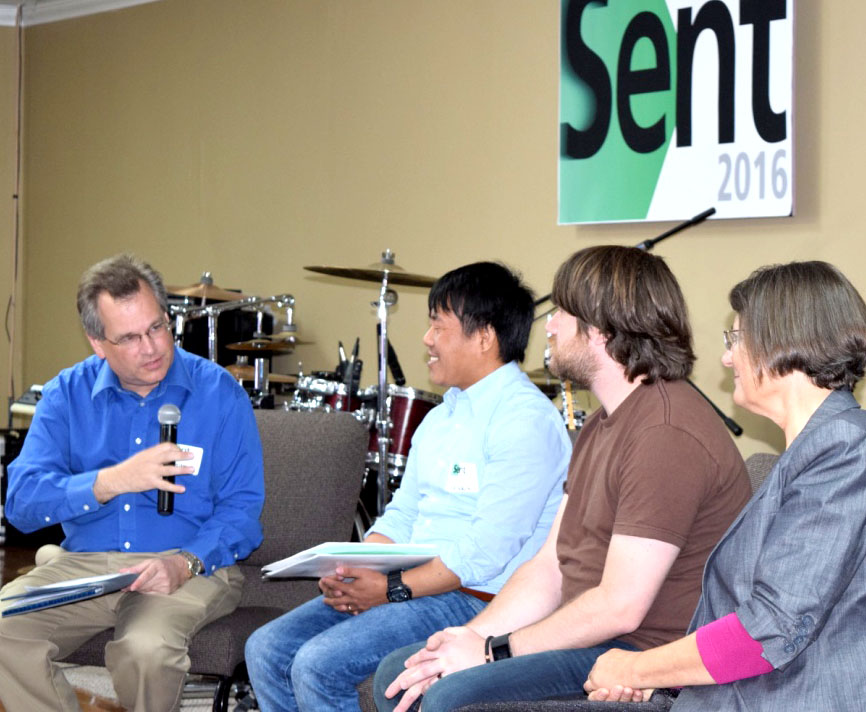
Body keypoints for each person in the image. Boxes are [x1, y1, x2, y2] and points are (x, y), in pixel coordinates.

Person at [375, 245, 752, 712]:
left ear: (602, 330)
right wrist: (472, 637)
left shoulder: (665, 433)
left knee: (451, 693)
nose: (547, 326)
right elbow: (549, 566)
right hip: (589, 638)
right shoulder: (602, 423)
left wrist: (494, 651)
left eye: (561, 313)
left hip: (640, 655)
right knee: (407, 668)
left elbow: (620, 605)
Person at [244, 261, 572, 712]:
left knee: (318, 664)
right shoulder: (439, 417)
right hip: (416, 585)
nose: (427, 339)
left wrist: (390, 588)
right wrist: (356, 567)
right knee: (265, 648)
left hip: (476, 597)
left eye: (439, 325)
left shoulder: (526, 421)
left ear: (484, 337)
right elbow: (402, 513)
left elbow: (485, 551)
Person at [583, 260, 866, 711]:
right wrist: (668, 680)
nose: (727, 357)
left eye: (736, 339)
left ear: (783, 339)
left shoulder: (845, 449)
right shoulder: (814, 452)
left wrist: (638, 668)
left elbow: (771, 627)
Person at [0, 254, 265, 712]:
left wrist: (185, 563)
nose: (152, 347)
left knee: (145, 651)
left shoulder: (218, 392)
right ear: (97, 343)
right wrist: (111, 481)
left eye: (157, 327)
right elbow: (21, 503)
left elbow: (242, 510)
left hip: (185, 567)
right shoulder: (66, 393)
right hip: (84, 567)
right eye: (129, 337)